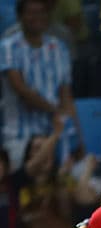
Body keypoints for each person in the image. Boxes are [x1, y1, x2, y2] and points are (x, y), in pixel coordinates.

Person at [0, 0, 81, 169]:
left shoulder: (59, 48)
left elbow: (66, 96)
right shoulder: (8, 47)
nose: (37, 17)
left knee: (64, 185)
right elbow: (21, 90)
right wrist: (56, 110)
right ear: (20, 16)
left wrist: (79, 137)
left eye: (41, 12)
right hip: (19, 134)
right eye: (31, 12)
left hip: (55, 130)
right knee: (24, 186)